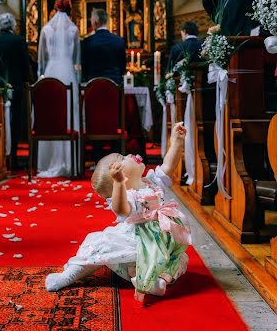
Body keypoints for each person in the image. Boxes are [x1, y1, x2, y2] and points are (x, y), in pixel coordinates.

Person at [46, 123, 191, 302]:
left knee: (180, 259)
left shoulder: (151, 182)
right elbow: (121, 209)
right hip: (135, 243)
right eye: (122, 158)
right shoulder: (129, 195)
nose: (128, 154)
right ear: (122, 177)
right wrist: (119, 185)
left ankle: (157, 281)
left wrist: (176, 142)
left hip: (159, 245)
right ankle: (68, 275)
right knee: (99, 245)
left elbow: (168, 167)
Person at [36, 0, 80, 177]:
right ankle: (71, 162)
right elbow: (78, 61)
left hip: (51, 71)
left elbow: (41, 60)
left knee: (51, 115)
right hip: (68, 72)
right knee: (69, 112)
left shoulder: (46, 29)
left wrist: (41, 76)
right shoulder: (74, 30)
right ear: (69, 10)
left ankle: (47, 162)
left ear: (54, 10)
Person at [0, 13, 32, 170]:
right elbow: (26, 65)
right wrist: (29, 81)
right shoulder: (19, 41)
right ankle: (13, 156)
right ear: (13, 25)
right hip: (17, 85)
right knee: (15, 122)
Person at [82, 8, 126, 85]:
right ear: (107, 22)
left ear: (94, 23)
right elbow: (122, 66)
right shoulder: (119, 41)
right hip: (114, 83)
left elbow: (84, 66)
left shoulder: (87, 42)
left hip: (93, 84)